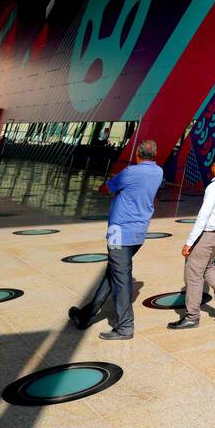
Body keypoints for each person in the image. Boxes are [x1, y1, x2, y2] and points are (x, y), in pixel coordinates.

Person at [68, 139, 163, 340]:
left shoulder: (130, 172)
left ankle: (125, 327)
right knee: (112, 273)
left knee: (121, 279)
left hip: (120, 232)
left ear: (138, 154)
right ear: (154, 155)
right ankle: (86, 315)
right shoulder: (158, 172)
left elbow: (105, 188)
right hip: (139, 232)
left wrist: (114, 183)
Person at [170, 154, 215, 330]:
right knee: (207, 266)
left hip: (208, 234)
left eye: (212, 165)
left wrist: (189, 242)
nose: (210, 168)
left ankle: (192, 316)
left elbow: (204, 215)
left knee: (193, 274)